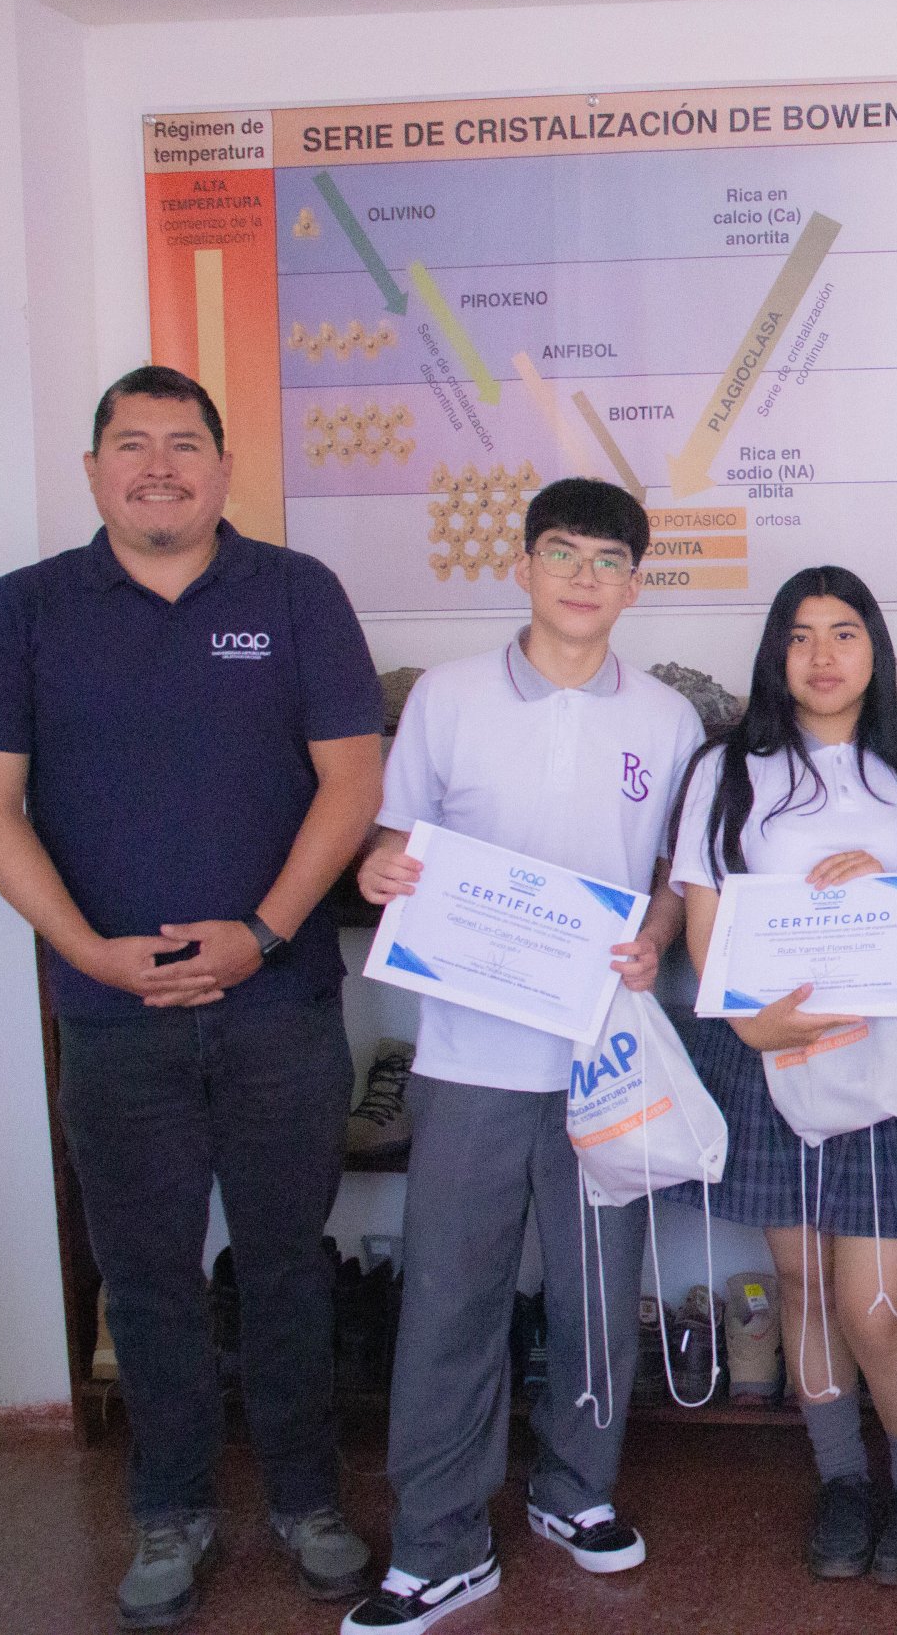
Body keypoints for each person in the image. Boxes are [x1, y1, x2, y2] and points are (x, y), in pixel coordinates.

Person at [0, 365, 385, 1629]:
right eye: (130, 444)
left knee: (288, 1264)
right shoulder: (24, 609)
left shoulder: (296, 593)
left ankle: (306, 1498)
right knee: (144, 1275)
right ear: (93, 472)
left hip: (277, 1006)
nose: (157, 466)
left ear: (223, 468)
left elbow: (350, 783)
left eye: (183, 443)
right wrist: (88, 951)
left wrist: (264, 931)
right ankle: (172, 1507)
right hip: (112, 1016)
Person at [342, 477, 701, 1635]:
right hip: (470, 1055)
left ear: (634, 585)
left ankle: (573, 1489)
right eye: (562, 552)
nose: (583, 576)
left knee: (598, 1294)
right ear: (523, 565)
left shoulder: (668, 720)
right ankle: (440, 1540)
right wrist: (379, 870)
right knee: (451, 1297)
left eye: (608, 560)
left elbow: (673, 877)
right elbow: (396, 842)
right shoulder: (445, 698)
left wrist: (656, 938)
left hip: (603, 1058)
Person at [668, 564, 897, 1585]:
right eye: (800, 636)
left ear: (875, 649)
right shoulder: (727, 769)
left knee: (875, 1303)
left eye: (844, 632)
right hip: (766, 1049)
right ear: (775, 655)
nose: (823, 655)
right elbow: (705, 921)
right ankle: (841, 1477)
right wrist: (752, 1024)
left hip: (889, 1057)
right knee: (800, 1280)